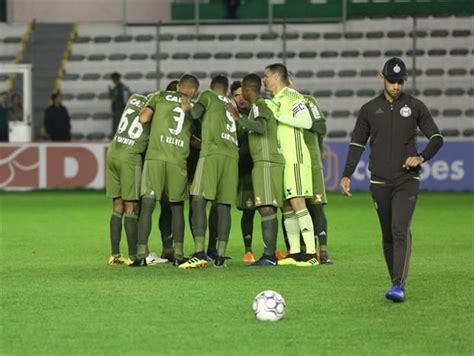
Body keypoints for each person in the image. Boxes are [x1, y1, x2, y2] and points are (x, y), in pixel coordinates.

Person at [340, 57, 443, 302]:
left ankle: (399, 285)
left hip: (407, 180)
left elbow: (437, 137)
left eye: (400, 81)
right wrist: (346, 174)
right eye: (392, 81)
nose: (396, 86)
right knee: (387, 234)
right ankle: (394, 280)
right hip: (379, 181)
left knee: (400, 229)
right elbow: (357, 144)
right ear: (382, 78)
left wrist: (421, 157)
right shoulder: (369, 109)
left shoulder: (416, 106)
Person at [131, 74, 200, 267]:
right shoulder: (193, 106)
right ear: (193, 91)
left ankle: (141, 254)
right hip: (177, 160)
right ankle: (178, 254)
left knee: (147, 204)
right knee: (177, 207)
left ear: (178, 86)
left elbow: (144, 118)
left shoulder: (159, 96)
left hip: (155, 158)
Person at [263, 63, 318, 267]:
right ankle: (295, 253)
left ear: (277, 77)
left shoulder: (293, 96)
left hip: (295, 157)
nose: (264, 79)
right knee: (286, 206)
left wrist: (278, 116)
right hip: (282, 160)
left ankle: (311, 254)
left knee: (297, 202)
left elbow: (307, 121)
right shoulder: (274, 100)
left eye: (266, 75)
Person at [181, 75, 239, 268]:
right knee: (223, 205)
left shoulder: (208, 95)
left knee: (198, 199)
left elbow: (196, 113)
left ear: (212, 87)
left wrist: (187, 108)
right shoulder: (231, 104)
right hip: (231, 156)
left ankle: (199, 252)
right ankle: (220, 255)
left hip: (212, 152)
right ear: (228, 91)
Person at [227, 74, 285, 266]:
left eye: (242, 90)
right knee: (264, 207)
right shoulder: (256, 107)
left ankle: (269, 256)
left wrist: (237, 118)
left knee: (267, 207)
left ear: (248, 89)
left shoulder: (260, 105)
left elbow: (260, 127)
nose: (241, 94)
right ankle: (269, 254)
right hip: (262, 162)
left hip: (266, 161)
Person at [106, 93, 150, 265]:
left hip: (113, 151)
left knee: (117, 205)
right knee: (132, 206)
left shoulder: (133, 99)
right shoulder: (153, 111)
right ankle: (134, 256)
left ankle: (115, 255)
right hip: (129, 157)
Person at [229, 80, 256, 264]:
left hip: (262, 167)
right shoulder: (230, 117)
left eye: (242, 95)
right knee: (249, 210)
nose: (241, 99)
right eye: (236, 96)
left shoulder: (257, 113)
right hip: (245, 171)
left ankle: (278, 249)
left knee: (273, 209)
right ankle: (248, 251)